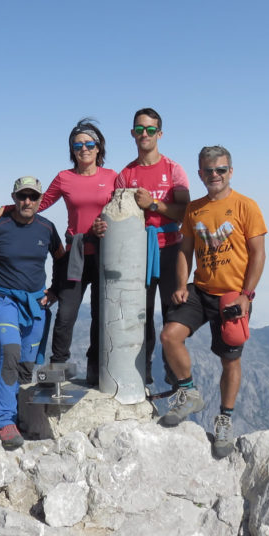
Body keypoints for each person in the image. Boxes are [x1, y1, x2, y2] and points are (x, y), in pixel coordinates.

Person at [0, 119, 117, 384]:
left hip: (106, 253)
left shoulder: (113, 177)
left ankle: (95, 371)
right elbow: (36, 203)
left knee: (101, 316)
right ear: (72, 150)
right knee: (66, 314)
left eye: (89, 144)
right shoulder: (65, 178)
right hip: (74, 253)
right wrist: (8, 208)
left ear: (99, 148)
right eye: (78, 145)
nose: (84, 149)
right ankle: (57, 371)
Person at [159, 146, 267, 458]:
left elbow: (258, 253)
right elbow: (185, 249)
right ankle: (188, 392)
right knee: (169, 335)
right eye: (208, 171)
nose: (215, 175)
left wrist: (247, 295)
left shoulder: (246, 206)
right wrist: (181, 284)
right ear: (200, 173)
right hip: (202, 289)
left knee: (230, 358)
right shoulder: (194, 209)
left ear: (230, 171)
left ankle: (225, 419)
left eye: (220, 170)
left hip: (233, 294)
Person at [0, 176, 65, 449]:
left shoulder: (47, 228)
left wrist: (54, 290)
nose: (27, 201)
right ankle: (5, 420)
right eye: (22, 196)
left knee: (27, 366)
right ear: (13, 197)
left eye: (32, 197)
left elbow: (62, 260)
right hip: (4, 300)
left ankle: (20, 419)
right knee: (10, 355)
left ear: (41, 200)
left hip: (36, 304)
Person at [93, 107, 190, 386]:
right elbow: (114, 212)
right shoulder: (126, 175)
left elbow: (185, 211)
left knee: (173, 317)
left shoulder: (173, 170)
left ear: (159, 133)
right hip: (136, 254)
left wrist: (154, 205)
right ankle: (141, 376)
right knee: (140, 315)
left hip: (171, 249)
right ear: (133, 134)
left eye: (150, 129)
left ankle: (175, 380)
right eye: (139, 129)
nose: (144, 134)